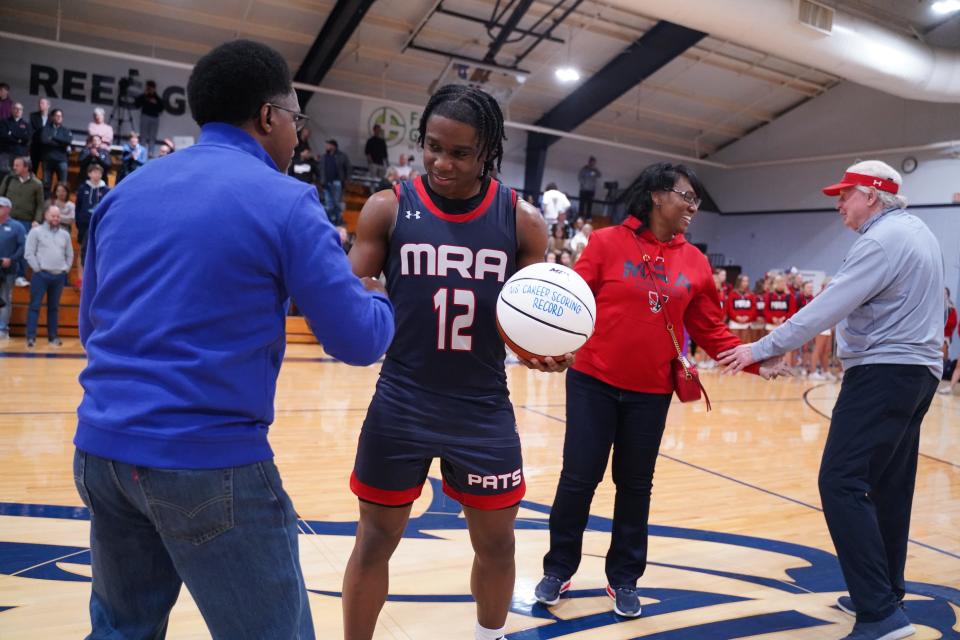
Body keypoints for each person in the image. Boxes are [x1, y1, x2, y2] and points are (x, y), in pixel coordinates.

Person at [72, 40, 395, 640]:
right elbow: (356, 339)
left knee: (120, 631)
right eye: (296, 118)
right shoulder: (286, 200)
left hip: (101, 453)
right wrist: (379, 292)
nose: (298, 135)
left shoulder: (123, 194)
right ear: (268, 117)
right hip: (206, 462)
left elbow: (92, 328)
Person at [343, 84, 565, 640]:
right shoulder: (389, 207)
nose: (443, 162)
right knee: (374, 540)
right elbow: (350, 286)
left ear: (487, 151)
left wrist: (539, 348)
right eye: (433, 146)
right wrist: (366, 294)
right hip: (402, 399)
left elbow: (530, 315)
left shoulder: (522, 221)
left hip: (482, 406)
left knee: (497, 543)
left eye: (460, 153)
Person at [533, 161, 786, 618]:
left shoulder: (696, 262)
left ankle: (625, 576)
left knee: (635, 485)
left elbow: (710, 329)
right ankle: (558, 568)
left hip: (651, 391)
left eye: (696, 200)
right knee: (578, 479)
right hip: (593, 380)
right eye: (686, 196)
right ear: (656, 195)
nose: (693, 206)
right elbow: (572, 302)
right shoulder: (607, 243)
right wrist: (548, 346)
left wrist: (754, 359)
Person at [719, 160, 944, 640]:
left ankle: (880, 614)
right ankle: (886, 591)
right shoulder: (918, 230)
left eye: (845, 194)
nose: (839, 203)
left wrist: (759, 348)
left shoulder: (881, 240)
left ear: (872, 195)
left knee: (840, 482)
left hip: (883, 371)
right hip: (917, 374)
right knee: (889, 487)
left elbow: (826, 306)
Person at [24, 204, 72, 347]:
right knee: (34, 306)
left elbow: (70, 254)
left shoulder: (65, 234)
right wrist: (37, 269)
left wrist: (66, 268)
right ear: (46, 216)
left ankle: (53, 337)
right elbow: (29, 252)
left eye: (58, 216)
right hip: (41, 275)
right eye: (53, 216)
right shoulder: (36, 232)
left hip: (58, 276)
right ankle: (31, 337)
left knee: (54, 308)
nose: (56, 218)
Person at [0, 156, 44, 285]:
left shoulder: (37, 184)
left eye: (17, 165)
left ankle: (20, 275)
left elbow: (40, 205)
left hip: (26, 220)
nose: (14, 167)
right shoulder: (9, 179)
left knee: (24, 248)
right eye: (14, 165)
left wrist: (37, 220)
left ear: (26, 167)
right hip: (8, 218)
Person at [0, 196, 26, 340]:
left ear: (8, 209)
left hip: (8, 270)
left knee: (5, 298)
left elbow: (22, 246)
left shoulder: (17, 226)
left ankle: (3, 329)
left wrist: (12, 259)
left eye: (1, 206)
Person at [74, 163, 109, 266]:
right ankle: (80, 278)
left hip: (99, 224)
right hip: (84, 223)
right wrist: (78, 221)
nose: (97, 174)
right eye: (94, 172)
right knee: (82, 249)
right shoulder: (82, 188)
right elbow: (78, 206)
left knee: (95, 249)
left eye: (99, 172)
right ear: (89, 174)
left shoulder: (106, 190)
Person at [318, 138, 351, 225]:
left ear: (333, 146)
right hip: (326, 183)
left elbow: (348, 168)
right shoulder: (324, 157)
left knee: (337, 203)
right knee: (329, 204)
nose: (326, 146)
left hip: (337, 183)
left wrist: (347, 180)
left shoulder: (342, 156)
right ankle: (331, 220)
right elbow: (320, 170)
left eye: (328, 145)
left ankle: (339, 220)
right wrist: (321, 181)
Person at [40, 108, 72, 197]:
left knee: (62, 184)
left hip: (61, 160)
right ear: (53, 117)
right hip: (48, 159)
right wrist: (61, 143)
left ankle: (60, 204)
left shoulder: (65, 130)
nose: (59, 118)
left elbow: (68, 141)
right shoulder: (46, 129)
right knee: (46, 184)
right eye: (57, 116)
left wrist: (53, 138)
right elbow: (44, 140)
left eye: (60, 116)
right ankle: (46, 204)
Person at [1, 102, 31, 179]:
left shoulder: (26, 125)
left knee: (18, 176)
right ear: (11, 110)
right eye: (16, 108)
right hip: (6, 153)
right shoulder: (4, 122)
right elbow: (4, 136)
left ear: (22, 111)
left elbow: (27, 138)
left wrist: (11, 133)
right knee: (4, 175)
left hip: (20, 154)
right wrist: (19, 139)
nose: (18, 111)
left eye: (20, 109)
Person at [134, 80, 163, 154]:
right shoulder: (144, 96)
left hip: (154, 118)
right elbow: (136, 104)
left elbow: (161, 109)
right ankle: (141, 153)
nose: (150, 89)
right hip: (145, 116)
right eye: (149, 87)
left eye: (152, 88)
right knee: (143, 136)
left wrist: (155, 102)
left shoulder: (157, 97)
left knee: (152, 137)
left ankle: (151, 153)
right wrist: (144, 95)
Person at [28, 97, 50, 173]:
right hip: (35, 146)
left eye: (43, 103)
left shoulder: (52, 118)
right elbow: (31, 131)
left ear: (48, 105)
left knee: (46, 171)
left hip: (47, 148)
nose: (40, 105)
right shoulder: (33, 116)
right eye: (39, 103)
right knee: (33, 169)